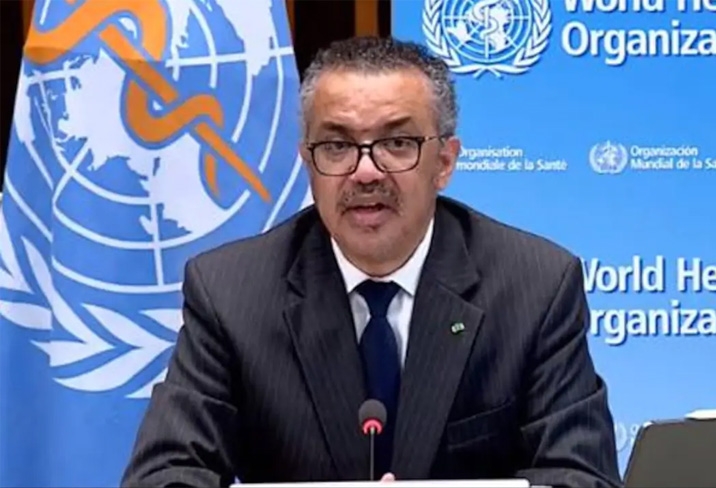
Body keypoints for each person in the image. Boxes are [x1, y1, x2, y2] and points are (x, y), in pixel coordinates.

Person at [121, 36, 622, 488]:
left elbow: (580, 476)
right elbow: (165, 475)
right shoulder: (231, 293)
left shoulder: (534, 287)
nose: (365, 172)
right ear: (308, 162)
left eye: (397, 143)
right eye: (337, 146)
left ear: (445, 162)